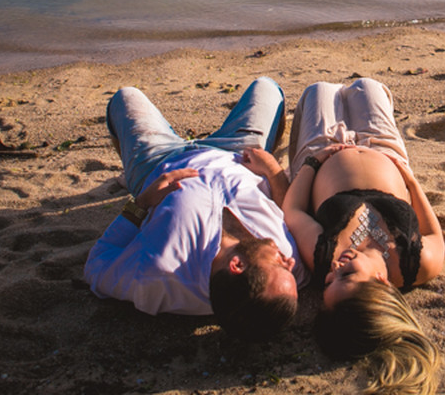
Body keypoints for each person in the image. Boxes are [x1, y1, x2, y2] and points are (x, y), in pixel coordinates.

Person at [84, 77, 307, 340]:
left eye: (281, 266)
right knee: (268, 88)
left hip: (158, 161)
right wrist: (272, 170)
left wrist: (142, 202)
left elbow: (97, 262)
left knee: (125, 96)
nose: (290, 261)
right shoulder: (291, 268)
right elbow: (290, 210)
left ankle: (130, 177)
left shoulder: (156, 275)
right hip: (237, 152)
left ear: (237, 265)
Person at [283, 77, 443, 395]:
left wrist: (314, 162)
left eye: (328, 283)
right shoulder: (417, 264)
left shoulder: (324, 257)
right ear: (381, 285)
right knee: (366, 85)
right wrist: (410, 179)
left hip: (321, 150)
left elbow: (294, 212)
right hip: (383, 148)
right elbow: (432, 231)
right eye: (347, 276)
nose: (335, 270)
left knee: (318, 90)